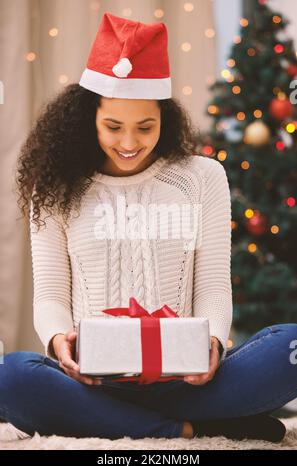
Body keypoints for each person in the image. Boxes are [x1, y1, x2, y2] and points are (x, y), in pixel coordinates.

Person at [0, 12, 296, 442]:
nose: (128, 142)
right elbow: (50, 294)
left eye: (146, 127)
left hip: (188, 379)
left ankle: (111, 420)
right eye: (113, 126)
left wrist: (212, 343)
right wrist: (58, 341)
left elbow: (212, 286)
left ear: (165, 118)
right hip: (95, 380)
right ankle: (188, 428)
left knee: (290, 345)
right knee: (10, 375)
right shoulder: (55, 185)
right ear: (88, 119)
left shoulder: (202, 178)